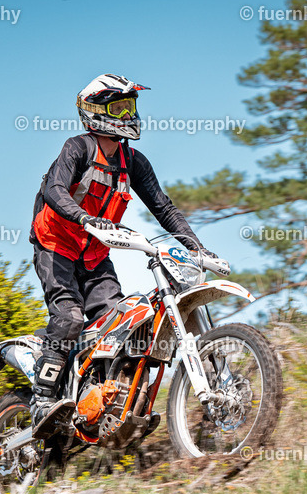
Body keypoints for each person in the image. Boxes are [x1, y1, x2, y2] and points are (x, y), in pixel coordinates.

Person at [28, 73, 228, 438]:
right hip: (56, 246)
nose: (127, 114)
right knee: (70, 316)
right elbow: (54, 189)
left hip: (94, 254)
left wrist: (198, 251)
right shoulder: (77, 148)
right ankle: (41, 398)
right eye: (119, 107)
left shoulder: (133, 161)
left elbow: (164, 208)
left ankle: (104, 399)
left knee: (121, 325)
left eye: (130, 107)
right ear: (96, 111)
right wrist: (85, 218)